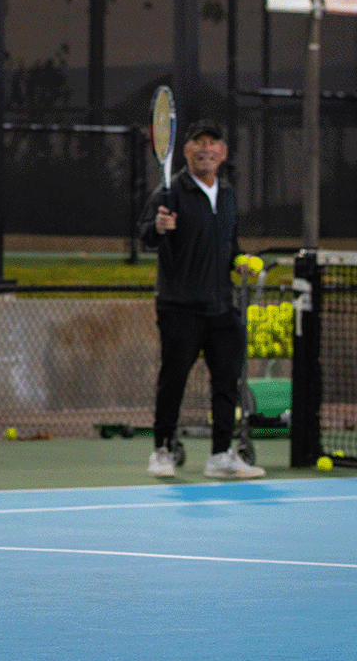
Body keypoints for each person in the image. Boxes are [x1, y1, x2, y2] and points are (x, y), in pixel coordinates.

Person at [138, 118, 264, 481]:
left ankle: (221, 455)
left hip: (222, 307)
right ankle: (161, 450)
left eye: (214, 143)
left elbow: (229, 245)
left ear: (223, 153)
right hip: (180, 307)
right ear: (186, 149)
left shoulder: (227, 193)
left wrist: (239, 261)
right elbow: (147, 235)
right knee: (173, 380)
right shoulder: (169, 193)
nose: (206, 148)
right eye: (199, 142)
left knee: (227, 383)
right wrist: (158, 228)